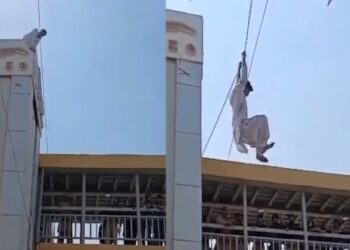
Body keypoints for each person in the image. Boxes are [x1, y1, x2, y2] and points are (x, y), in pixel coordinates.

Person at [230, 51, 274, 163]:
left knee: (260, 126)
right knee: (262, 120)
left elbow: (239, 80)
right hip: (242, 127)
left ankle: (260, 149)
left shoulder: (238, 95)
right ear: (245, 87)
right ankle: (259, 150)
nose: (248, 94)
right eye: (248, 91)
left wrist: (238, 68)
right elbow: (242, 79)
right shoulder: (239, 91)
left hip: (241, 132)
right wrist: (244, 60)